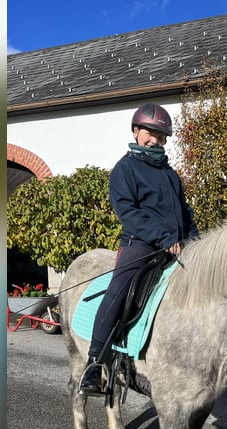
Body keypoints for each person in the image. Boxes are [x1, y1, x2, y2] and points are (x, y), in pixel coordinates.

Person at [79, 102, 199, 396]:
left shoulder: (170, 174)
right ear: (136, 132)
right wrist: (162, 237)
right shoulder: (125, 169)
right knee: (120, 290)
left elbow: (183, 210)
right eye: (150, 133)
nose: (155, 139)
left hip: (176, 246)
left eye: (161, 135)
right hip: (141, 245)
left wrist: (194, 237)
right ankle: (95, 363)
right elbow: (128, 213)